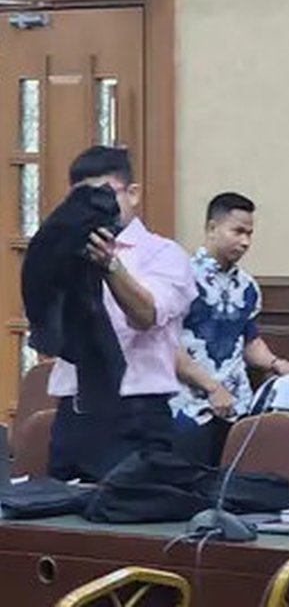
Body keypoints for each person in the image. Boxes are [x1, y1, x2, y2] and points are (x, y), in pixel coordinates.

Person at [45, 146, 197, 481]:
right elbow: (48, 329)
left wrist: (110, 265)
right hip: (72, 411)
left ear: (133, 194)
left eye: (105, 194)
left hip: (136, 412)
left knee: (124, 510)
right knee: (55, 511)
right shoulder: (65, 250)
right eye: (81, 199)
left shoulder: (164, 253)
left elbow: (146, 315)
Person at [168, 192, 289, 466]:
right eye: (237, 231)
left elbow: (249, 341)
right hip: (187, 405)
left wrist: (278, 364)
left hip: (237, 407)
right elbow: (166, 346)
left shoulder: (247, 287)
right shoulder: (180, 278)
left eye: (249, 234)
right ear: (212, 228)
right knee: (187, 483)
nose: (245, 242)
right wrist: (212, 388)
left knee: (234, 482)